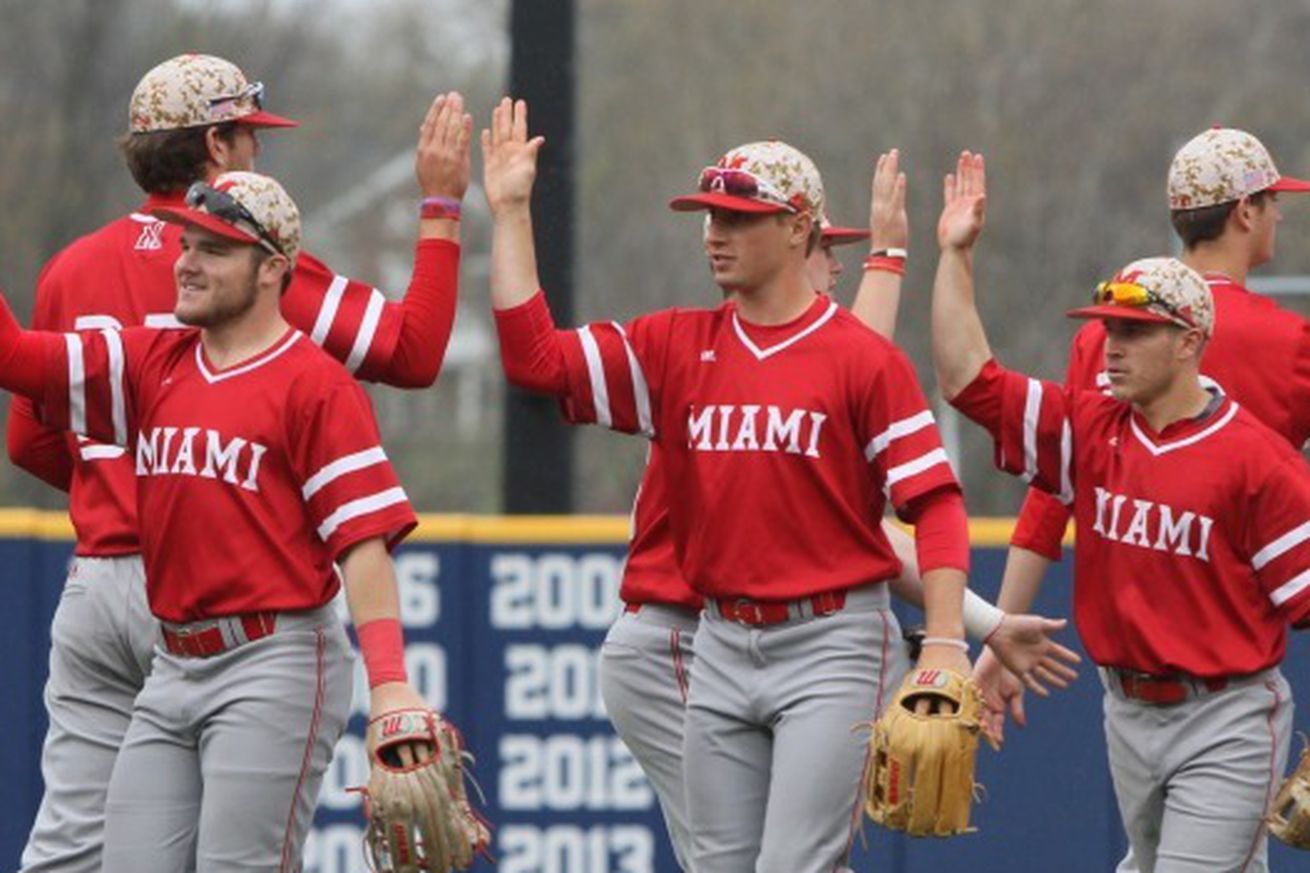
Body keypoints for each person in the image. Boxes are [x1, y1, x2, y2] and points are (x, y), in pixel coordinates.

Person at [5, 54, 469, 873]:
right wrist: (440, 209)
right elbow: (414, 347)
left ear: (266, 269)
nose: (189, 259)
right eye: (248, 136)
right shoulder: (166, 353)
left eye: (211, 246)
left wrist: (390, 680)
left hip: (208, 618)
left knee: (79, 847)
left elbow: (27, 441)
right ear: (215, 143)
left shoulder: (81, 271)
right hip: (171, 616)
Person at [484, 96, 971, 873]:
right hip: (717, 640)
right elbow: (535, 362)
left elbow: (934, 504)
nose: (715, 232)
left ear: (798, 225)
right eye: (709, 216)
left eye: (739, 218)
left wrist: (945, 642)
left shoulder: (861, 359)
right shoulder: (676, 344)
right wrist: (510, 211)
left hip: (834, 641)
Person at [596, 149, 1077, 869]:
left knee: (793, 859)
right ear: (799, 245)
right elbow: (851, 399)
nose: (838, 265)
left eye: (848, 253)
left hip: (752, 638)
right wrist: (975, 625)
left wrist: (970, 627)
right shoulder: (713, 361)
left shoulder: (808, 362)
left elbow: (850, 378)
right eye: (832, 249)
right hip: (678, 639)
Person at [933, 150, 1310, 873]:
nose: (1111, 345)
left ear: (1190, 342)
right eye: (1107, 328)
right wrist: (955, 255)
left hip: (1225, 713)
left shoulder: (1258, 460)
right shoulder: (1091, 426)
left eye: (1134, 331)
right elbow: (967, 381)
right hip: (1126, 710)